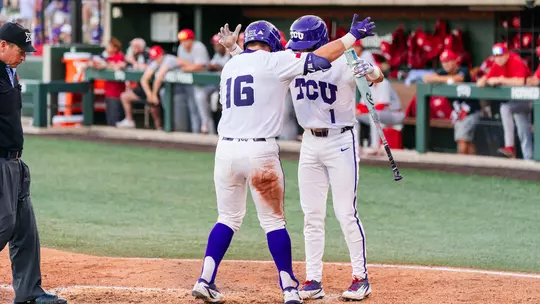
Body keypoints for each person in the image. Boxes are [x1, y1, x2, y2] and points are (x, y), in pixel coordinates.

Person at [191, 15, 376, 304]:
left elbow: (257, 66)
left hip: (226, 151)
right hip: (263, 152)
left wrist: (233, 49)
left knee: (227, 218)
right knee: (280, 222)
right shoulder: (277, 63)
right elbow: (312, 59)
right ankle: (293, 287)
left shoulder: (231, 65)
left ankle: (205, 279)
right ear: (273, 43)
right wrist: (352, 35)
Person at [283, 15, 382, 301]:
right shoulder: (291, 61)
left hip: (340, 140)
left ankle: (360, 278)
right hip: (309, 143)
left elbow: (379, 77)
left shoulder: (343, 61)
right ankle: (313, 279)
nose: (301, 51)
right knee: (311, 214)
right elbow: (261, 68)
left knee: (345, 212)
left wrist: (372, 71)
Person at [0, 22, 67, 304]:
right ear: (2, 45)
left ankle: (28, 292)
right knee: (3, 224)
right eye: (20, 49)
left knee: (25, 230)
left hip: (15, 162)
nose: (25, 55)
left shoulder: (10, 73)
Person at [476, 43, 532, 159]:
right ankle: (529, 160)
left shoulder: (515, 60)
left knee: (505, 108)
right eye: (496, 56)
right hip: (517, 101)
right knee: (523, 131)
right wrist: (484, 79)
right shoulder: (496, 64)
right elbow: (483, 80)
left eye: (501, 55)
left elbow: (521, 82)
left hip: (530, 98)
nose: (499, 58)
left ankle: (509, 146)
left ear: (507, 54)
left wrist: (500, 79)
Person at [423, 50, 479, 155]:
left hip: (470, 109)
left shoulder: (463, 70)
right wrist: (445, 79)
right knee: (468, 142)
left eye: (449, 61)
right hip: (458, 112)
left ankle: (461, 166)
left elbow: (459, 78)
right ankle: (472, 167)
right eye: (444, 62)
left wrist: (441, 79)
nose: (446, 64)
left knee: (462, 140)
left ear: (455, 61)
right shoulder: (442, 72)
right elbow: (427, 78)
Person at [116, 45, 178, 129]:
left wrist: (154, 95)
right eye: (154, 57)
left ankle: (160, 126)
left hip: (176, 89)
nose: (156, 59)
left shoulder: (169, 59)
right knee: (125, 96)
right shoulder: (154, 62)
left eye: (157, 57)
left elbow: (159, 77)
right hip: (153, 90)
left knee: (158, 103)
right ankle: (129, 120)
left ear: (162, 54)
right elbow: (144, 79)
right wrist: (150, 95)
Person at [176, 28, 212, 133]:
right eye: (182, 40)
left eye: (186, 40)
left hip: (206, 83)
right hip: (192, 83)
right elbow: (180, 64)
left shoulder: (198, 47)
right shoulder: (181, 48)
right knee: (193, 109)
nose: (184, 43)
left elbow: (201, 67)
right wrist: (190, 66)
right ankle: (195, 132)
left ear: (192, 40)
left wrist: (187, 66)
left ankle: (210, 132)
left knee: (202, 107)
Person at [87, 38, 126, 126]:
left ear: (115, 48)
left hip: (117, 91)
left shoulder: (119, 56)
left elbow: (120, 65)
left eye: (109, 46)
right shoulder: (105, 56)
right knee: (110, 116)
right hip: (108, 90)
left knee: (115, 117)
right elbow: (94, 63)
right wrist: (96, 64)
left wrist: (106, 65)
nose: (107, 48)